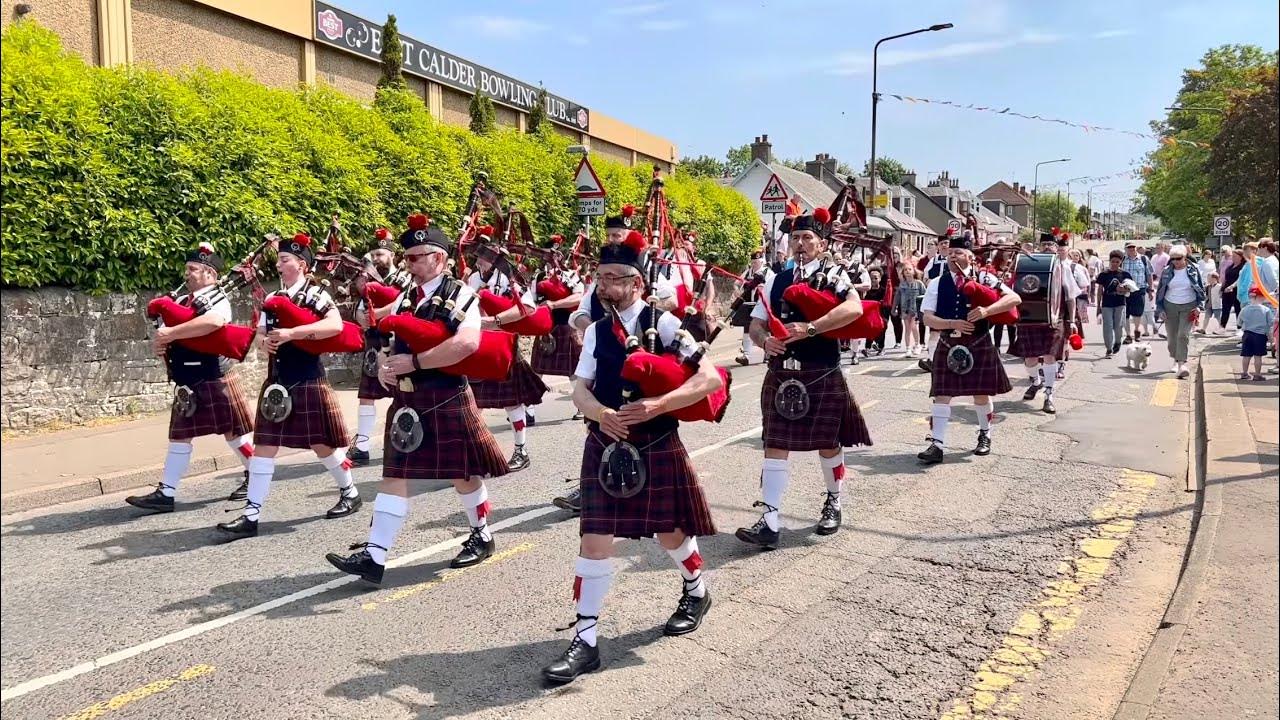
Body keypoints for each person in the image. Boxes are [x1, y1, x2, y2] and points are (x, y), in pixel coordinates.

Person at [540, 231, 722, 684]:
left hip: (656, 442)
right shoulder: (597, 331)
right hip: (605, 443)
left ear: (637, 283)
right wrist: (600, 414)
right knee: (594, 540)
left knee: (671, 534)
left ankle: (697, 591)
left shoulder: (664, 324)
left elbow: (711, 378)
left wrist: (660, 405)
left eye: (614, 279)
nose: (603, 287)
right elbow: (579, 388)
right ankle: (586, 639)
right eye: (599, 278)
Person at [325, 215, 511, 583]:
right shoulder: (408, 297)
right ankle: (375, 557)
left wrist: (417, 361)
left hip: (446, 396)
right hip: (409, 400)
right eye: (406, 257)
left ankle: (483, 534)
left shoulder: (462, 296)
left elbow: (467, 344)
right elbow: (388, 339)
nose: (407, 264)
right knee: (395, 475)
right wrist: (383, 367)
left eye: (414, 258)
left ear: (438, 258)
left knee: (463, 476)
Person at [736, 209, 873, 550]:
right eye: (796, 238)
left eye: (807, 238)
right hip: (782, 373)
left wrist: (812, 327)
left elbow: (854, 309)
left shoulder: (834, 274)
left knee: (827, 443)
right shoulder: (775, 277)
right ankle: (769, 520)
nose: (800, 244)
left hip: (820, 371)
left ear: (821, 244)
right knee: (774, 444)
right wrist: (762, 340)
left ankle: (834, 500)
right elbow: (755, 322)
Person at [216, 233, 361, 541]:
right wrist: (265, 342)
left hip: (307, 377)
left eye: (285, 260)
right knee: (264, 448)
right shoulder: (272, 298)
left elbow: (335, 326)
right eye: (279, 260)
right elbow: (261, 332)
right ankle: (251, 515)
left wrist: (293, 333)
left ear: (302, 265)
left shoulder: (315, 294)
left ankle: (350, 491)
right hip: (277, 382)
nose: (279, 265)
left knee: (322, 445)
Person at [126, 243, 256, 512]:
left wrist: (171, 334)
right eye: (187, 269)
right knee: (180, 436)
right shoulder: (183, 301)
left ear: (210, 273)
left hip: (212, 375)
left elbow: (214, 323)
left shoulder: (218, 299)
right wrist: (161, 343)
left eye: (193, 269)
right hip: (188, 379)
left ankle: (257, 473)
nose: (187, 274)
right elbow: (169, 333)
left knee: (233, 433)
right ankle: (166, 493)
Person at [917, 232, 1020, 464]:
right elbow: (927, 319)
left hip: (978, 342)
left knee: (980, 394)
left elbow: (1014, 298)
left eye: (959, 253)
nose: (953, 256)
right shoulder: (937, 282)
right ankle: (937, 444)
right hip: (948, 342)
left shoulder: (985, 278)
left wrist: (986, 311)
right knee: (941, 395)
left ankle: (985, 435)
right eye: (950, 253)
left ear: (970, 257)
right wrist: (951, 323)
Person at [468, 237, 549, 472]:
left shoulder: (509, 278)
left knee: (511, 401)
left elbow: (528, 307)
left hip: (503, 342)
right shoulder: (473, 278)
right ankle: (478, 452)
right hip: (477, 344)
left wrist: (496, 321)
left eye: (483, 256)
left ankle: (520, 449)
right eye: (478, 255)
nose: (478, 260)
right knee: (473, 401)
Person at [349, 228, 405, 466]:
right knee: (367, 396)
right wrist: (364, 316)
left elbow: (403, 307)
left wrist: (377, 314)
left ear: (391, 256)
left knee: (405, 394)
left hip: (399, 340)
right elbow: (361, 312)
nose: (377, 259)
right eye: (374, 254)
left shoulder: (404, 278)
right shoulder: (368, 280)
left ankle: (407, 441)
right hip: (374, 341)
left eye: (381, 254)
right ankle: (362, 446)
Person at [1155, 245, 1206, 379]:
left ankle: (1182, 364)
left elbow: (1201, 289)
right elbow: (1160, 290)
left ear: (1185, 258)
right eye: (1173, 259)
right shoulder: (1166, 271)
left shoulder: (1194, 270)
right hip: (1170, 305)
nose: (1176, 261)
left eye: (1179, 258)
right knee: (1172, 338)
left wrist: (1200, 306)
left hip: (1189, 306)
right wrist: (1160, 309)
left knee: (1182, 334)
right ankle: (1175, 360)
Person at [916, 231, 953, 372]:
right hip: (935, 298)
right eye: (942, 244)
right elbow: (925, 278)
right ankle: (932, 359)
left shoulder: (954, 259)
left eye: (946, 243)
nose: (944, 246)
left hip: (950, 298)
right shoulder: (934, 260)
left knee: (950, 331)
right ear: (938, 246)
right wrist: (929, 282)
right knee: (934, 329)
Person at [1093, 251, 1134, 358]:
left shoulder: (1125, 275)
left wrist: (1123, 289)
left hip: (1120, 303)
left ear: (1121, 262)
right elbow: (1100, 291)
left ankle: (1117, 341)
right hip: (1107, 304)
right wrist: (1098, 305)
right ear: (1110, 261)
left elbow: (1131, 290)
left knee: (1118, 326)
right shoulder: (1103, 274)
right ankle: (1109, 348)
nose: (1115, 264)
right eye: (1113, 261)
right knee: (1107, 326)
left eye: (1117, 262)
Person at [735, 251, 773, 366]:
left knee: (765, 328)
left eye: (756, 262)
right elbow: (737, 282)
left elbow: (772, 286)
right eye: (752, 262)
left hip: (762, 304)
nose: (754, 264)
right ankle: (746, 355)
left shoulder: (768, 273)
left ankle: (768, 353)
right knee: (747, 327)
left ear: (761, 261)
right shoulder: (748, 272)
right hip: (749, 304)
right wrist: (737, 291)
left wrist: (764, 288)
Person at [1121, 242, 1155, 344]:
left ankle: (1136, 330)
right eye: (1129, 247)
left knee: (1138, 313)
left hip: (1139, 289)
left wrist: (1151, 289)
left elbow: (1149, 275)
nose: (1131, 249)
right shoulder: (1123, 260)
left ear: (1136, 248)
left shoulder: (1143, 259)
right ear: (1126, 249)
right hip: (1125, 290)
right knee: (1125, 313)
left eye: (1133, 247)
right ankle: (1128, 335)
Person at [1238, 287, 1276, 380]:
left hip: (1247, 334)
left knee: (1246, 355)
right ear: (1262, 297)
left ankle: (1244, 373)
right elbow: (1271, 323)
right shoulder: (1266, 310)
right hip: (1260, 335)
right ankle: (1257, 374)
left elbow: (1239, 323)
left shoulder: (1244, 309)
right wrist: (1271, 340)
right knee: (1258, 356)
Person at [895, 265, 926, 357]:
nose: (907, 271)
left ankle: (917, 345)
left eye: (909, 269)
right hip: (905, 310)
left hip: (915, 309)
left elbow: (924, 294)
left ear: (914, 271)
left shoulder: (919, 283)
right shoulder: (902, 284)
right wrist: (895, 307)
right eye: (905, 270)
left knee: (913, 327)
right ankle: (908, 348)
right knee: (907, 329)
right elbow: (898, 296)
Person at [1220, 247, 1245, 330]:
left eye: (1235, 256)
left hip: (1236, 290)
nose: (1233, 258)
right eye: (1232, 256)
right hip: (1227, 290)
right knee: (1225, 309)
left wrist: (1233, 286)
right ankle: (1222, 327)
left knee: (1238, 309)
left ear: (1241, 257)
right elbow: (1225, 277)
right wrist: (1222, 288)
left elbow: (1240, 279)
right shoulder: (1231, 266)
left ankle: (1239, 327)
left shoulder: (1243, 267)